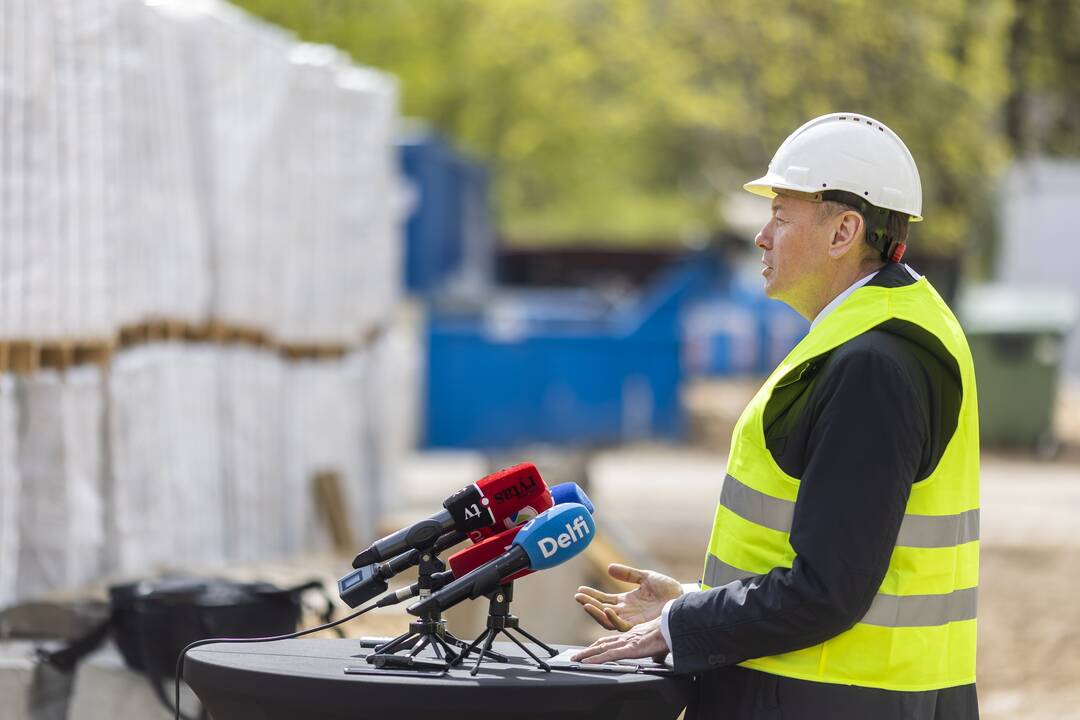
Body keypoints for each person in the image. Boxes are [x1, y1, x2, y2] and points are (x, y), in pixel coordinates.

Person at [571, 113, 980, 719]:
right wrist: (686, 601)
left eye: (781, 217)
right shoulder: (886, 333)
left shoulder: (872, 364)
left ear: (845, 231)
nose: (762, 237)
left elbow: (827, 591)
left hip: (828, 702)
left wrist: (681, 623)